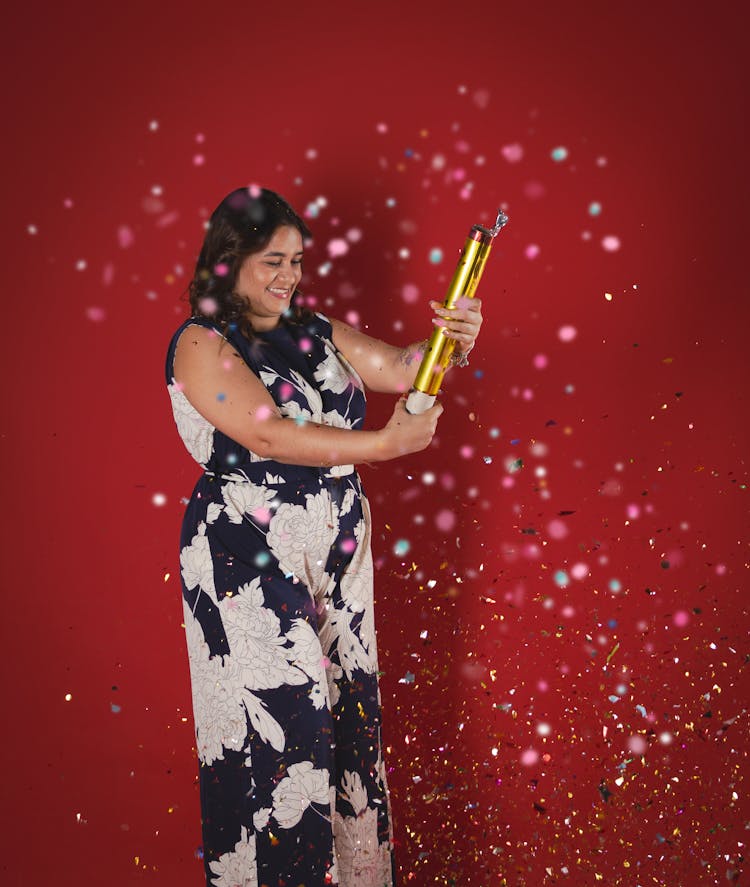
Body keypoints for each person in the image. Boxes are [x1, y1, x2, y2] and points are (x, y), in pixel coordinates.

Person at [165, 186, 483, 887]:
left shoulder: (313, 330)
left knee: (349, 733)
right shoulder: (200, 342)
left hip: (338, 556)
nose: (290, 275)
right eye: (272, 259)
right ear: (229, 259)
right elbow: (265, 432)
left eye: (298, 260)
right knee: (288, 742)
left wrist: (450, 341)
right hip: (248, 554)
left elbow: (403, 367)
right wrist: (385, 444)